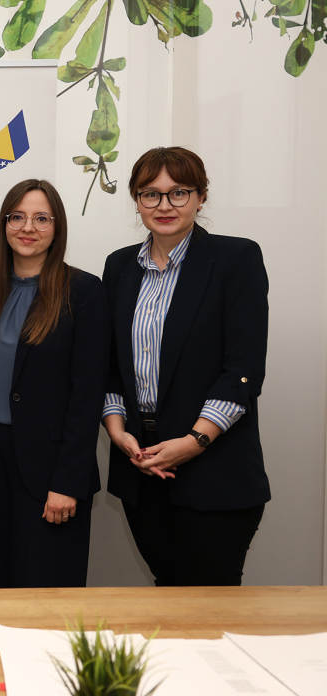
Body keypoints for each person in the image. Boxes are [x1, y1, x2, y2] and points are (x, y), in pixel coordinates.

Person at [102, 147, 269, 586]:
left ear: (201, 197)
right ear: (136, 201)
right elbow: (111, 365)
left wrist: (195, 441)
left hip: (214, 469)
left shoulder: (235, 260)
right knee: (168, 596)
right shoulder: (119, 267)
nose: (164, 205)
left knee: (209, 606)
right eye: (150, 194)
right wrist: (117, 431)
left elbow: (243, 369)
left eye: (179, 192)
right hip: (141, 466)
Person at [0, 179, 107, 588]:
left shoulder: (84, 292)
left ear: (57, 228)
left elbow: (87, 395)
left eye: (42, 218)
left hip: (50, 472)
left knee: (45, 592)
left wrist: (67, 482)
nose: (28, 227)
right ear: (4, 224)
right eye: (17, 217)